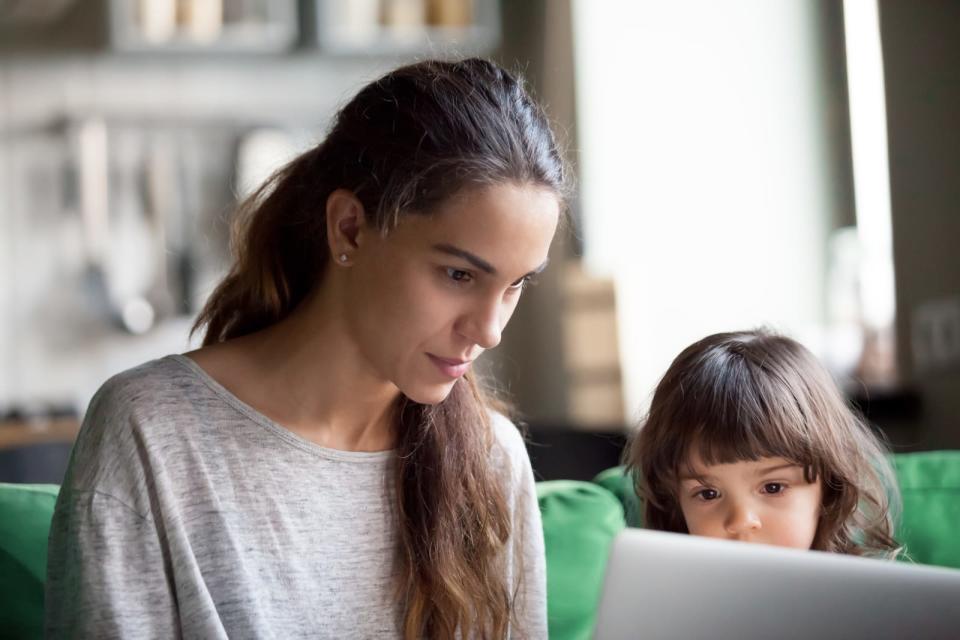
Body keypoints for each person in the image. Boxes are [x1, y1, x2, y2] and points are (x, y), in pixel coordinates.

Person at [46, 58, 568, 639]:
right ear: (349, 228)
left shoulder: (490, 460)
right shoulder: (152, 433)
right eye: (458, 275)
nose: (490, 330)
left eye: (516, 284)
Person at [626, 329, 900, 557]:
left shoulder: (861, 600)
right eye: (707, 494)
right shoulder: (669, 601)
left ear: (829, 489)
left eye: (773, 487)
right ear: (675, 504)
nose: (741, 521)